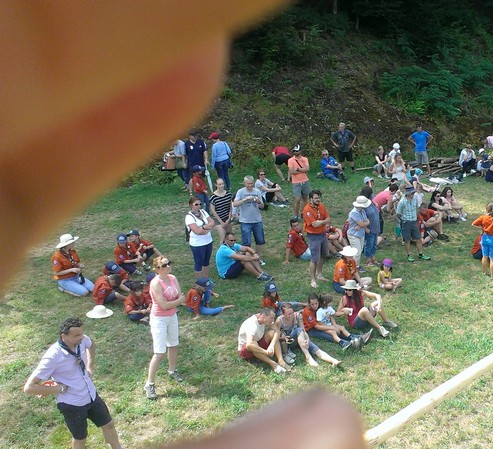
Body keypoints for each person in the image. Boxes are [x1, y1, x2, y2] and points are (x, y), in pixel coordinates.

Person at [6, 3, 368, 447]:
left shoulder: (169, 278)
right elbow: (187, 287)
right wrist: (166, 289)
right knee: (99, 295)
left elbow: (188, 265)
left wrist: (176, 261)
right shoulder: (172, 267)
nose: (160, 264)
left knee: (179, 314)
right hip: (151, 309)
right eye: (160, 265)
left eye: (161, 265)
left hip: (168, 307)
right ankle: (156, 371)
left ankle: (173, 367)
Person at [23, 317, 123, 449]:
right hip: (72, 404)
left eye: (81, 333)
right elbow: (29, 388)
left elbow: (91, 344)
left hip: (91, 396)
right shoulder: (53, 357)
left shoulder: (82, 341)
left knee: (109, 425)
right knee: (80, 438)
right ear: (63, 336)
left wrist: (90, 366)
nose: (81, 337)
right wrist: (59, 389)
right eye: (76, 335)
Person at [144, 256, 184, 400]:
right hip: (159, 319)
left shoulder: (173, 278)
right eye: (164, 265)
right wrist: (177, 301)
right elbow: (164, 305)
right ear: (157, 269)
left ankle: (172, 370)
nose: (168, 266)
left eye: (169, 263)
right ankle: (149, 384)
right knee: (159, 352)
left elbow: (179, 297)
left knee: (173, 344)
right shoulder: (155, 283)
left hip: (172, 316)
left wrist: (176, 302)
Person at [276, 303, 341, 367]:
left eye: (292, 313)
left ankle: (333, 360)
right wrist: (284, 338)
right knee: (298, 330)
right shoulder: (280, 320)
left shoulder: (298, 316)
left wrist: (307, 339)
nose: (291, 315)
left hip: (299, 339)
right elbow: (276, 336)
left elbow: (303, 331)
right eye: (288, 314)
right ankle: (308, 357)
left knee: (315, 348)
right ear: (283, 314)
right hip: (286, 343)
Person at [237, 308, 290, 374]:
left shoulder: (262, 318)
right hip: (246, 350)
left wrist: (271, 346)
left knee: (272, 333)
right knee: (254, 343)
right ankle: (273, 364)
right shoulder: (252, 325)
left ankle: (281, 361)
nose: (273, 320)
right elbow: (249, 344)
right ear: (264, 315)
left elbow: (277, 331)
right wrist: (265, 352)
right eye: (271, 318)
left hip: (258, 342)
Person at [233, 175, 267, 262]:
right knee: (246, 242)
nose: (250, 185)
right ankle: (245, 259)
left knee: (260, 240)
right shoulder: (240, 192)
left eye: (251, 183)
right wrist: (245, 199)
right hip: (245, 221)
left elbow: (262, 206)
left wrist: (258, 201)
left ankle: (258, 258)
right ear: (244, 183)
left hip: (257, 220)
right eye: (248, 184)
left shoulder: (257, 191)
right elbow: (235, 204)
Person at [303, 190, 331, 288]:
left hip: (323, 234)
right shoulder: (307, 209)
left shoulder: (321, 206)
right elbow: (314, 224)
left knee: (323, 255)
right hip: (314, 236)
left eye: (318, 198)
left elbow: (328, 219)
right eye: (315, 198)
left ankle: (319, 274)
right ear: (311, 199)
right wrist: (324, 222)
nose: (318, 200)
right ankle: (313, 279)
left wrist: (321, 222)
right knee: (314, 258)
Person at [396, 185, 432, 262]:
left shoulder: (415, 199)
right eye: (412, 193)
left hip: (414, 221)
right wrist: (404, 220)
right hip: (406, 222)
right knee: (407, 240)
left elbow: (416, 208)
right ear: (408, 193)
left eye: (413, 193)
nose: (413, 194)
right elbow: (398, 214)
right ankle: (409, 255)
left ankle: (421, 254)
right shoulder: (402, 202)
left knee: (418, 238)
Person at [472, 204, 493, 281]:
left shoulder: (483, 217)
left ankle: (486, 272)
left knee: (485, 256)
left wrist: (482, 229)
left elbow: (473, 224)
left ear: (486, 210)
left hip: (484, 238)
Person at [185, 195, 215, 279]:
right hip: (197, 243)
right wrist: (206, 227)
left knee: (206, 262)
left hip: (208, 241)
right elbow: (197, 231)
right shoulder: (189, 217)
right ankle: (199, 282)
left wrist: (203, 228)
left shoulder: (203, 212)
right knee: (199, 263)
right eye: (196, 204)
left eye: (200, 204)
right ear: (191, 205)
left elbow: (212, 222)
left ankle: (206, 279)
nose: (199, 206)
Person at [347, 195, 372, 269]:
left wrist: (362, 225)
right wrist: (363, 224)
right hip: (353, 234)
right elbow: (363, 223)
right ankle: (354, 267)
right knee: (357, 252)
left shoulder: (362, 211)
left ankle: (355, 265)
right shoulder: (354, 213)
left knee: (360, 250)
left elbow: (366, 221)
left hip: (360, 233)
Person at [288, 145, 311, 218]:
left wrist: (298, 169)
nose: (295, 152)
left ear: (300, 151)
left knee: (305, 198)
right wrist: (302, 170)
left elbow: (307, 169)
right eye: (294, 151)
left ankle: (303, 213)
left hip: (305, 180)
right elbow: (291, 171)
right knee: (297, 199)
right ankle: (296, 215)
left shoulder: (305, 159)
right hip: (296, 182)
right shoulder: (290, 160)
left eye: (297, 151)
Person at [361, 186, 382, 268]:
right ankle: (368, 260)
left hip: (376, 227)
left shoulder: (372, 203)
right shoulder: (364, 206)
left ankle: (373, 258)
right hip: (369, 228)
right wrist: (366, 228)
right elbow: (362, 218)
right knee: (369, 244)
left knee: (374, 244)